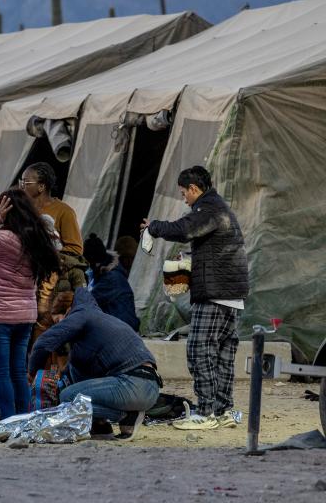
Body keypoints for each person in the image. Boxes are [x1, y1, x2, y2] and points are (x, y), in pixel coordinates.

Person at [143, 165, 248, 429]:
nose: (184, 199)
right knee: (222, 354)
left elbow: (184, 229)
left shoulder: (208, 208)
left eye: (183, 193)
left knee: (199, 350)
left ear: (193, 188)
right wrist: (190, 259)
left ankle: (205, 412)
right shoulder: (220, 208)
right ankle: (224, 411)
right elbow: (215, 249)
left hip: (214, 295)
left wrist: (154, 227)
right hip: (232, 295)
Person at [0, 190, 60, 419]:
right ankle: (23, 419)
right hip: (25, 316)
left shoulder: (2, 239)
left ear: (6, 209)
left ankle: (8, 420)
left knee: (1, 374)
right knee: (18, 372)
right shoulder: (36, 237)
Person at [30, 289, 161, 440]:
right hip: (147, 385)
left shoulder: (81, 315)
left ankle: (126, 416)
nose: (59, 327)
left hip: (133, 384)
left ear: (67, 311)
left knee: (68, 397)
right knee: (76, 392)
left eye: (58, 321)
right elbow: (81, 373)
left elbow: (43, 343)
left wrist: (33, 374)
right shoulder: (95, 320)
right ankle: (101, 426)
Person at [20, 162, 87, 338]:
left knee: (43, 331)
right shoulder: (21, 209)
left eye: (26, 183)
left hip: (49, 286)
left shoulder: (64, 212)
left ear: (41, 186)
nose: (22, 186)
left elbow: (75, 249)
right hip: (21, 282)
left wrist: (44, 256)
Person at [83, 233, 139, 331]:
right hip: (122, 327)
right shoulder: (111, 274)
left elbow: (87, 301)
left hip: (121, 330)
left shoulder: (112, 277)